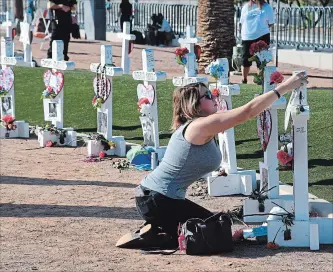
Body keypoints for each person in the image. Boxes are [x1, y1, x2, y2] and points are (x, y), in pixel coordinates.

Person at [116, 72, 308, 249]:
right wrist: (286, 85)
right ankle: (159, 235)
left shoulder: (199, 126)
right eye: (207, 96)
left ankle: (160, 229)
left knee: (221, 223)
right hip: (157, 200)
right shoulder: (199, 126)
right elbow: (247, 112)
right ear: (195, 105)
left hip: (157, 198)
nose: (213, 97)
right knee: (219, 234)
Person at [240, 0, 275, 84]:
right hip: (247, 36)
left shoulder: (267, 7)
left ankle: (259, 80)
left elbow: (271, 23)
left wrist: (260, 29)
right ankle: (244, 80)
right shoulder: (246, 7)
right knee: (245, 60)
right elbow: (242, 21)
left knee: (261, 60)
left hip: (262, 35)